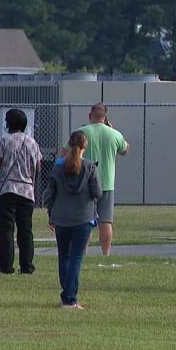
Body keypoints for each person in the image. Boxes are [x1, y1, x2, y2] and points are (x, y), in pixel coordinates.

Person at [45, 131, 102, 310]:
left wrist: (51, 215)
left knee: (64, 257)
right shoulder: (90, 167)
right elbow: (97, 193)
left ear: (69, 145)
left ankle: (66, 294)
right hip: (83, 218)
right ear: (85, 146)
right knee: (76, 257)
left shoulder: (57, 168)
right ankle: (70, 298)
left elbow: (49, 196)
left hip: (61, 218)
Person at [0, 109, 42, 274]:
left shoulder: (3, 141)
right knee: (25, 229)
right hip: (27, 190)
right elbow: (38, 167)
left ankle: (6, 266)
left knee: (6, 229)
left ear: (8, 124)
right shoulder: (32, 143)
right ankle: (27, 265)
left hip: (7, 189)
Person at [76, 103, 129, 256]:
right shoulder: (114, 134)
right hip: (106, 183)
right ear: (105, 117)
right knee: (105, 221)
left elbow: (65, 152)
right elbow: (125, 150)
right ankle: (106, 253)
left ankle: (83, 253)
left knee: (85, 221)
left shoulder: (82, 132)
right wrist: (111, 130)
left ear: (89, 116)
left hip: (84, 183)